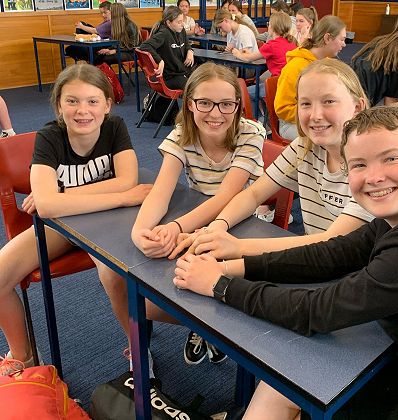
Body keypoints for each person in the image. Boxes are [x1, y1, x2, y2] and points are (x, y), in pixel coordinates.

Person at [174, 106, 398, 420]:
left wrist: (219, 286)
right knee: (286, 382)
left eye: (391, 158)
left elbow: (316, 311)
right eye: (359, 164)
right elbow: (332, 255)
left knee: (288, 382)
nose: (374, 177)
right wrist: (232, 266)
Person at [0, 64, 152, 376]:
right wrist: (121, 195)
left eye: (92, 101)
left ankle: (139, 349)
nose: (83, 110)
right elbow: (46, 206)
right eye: (72, 101)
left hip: (106, 224)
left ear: (106, 104)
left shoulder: (114, 127)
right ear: (59, 105)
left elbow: (127, 180)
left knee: (113, 277)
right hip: (64, 225)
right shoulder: (50, 136)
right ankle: (25, 357)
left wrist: (61, 193)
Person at [131, 62, 265, 366]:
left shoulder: (251, 132)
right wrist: (139, 232)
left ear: (237, 105)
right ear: (190, 103)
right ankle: (202, 326)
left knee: (210, 271)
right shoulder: (182, 135)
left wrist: (177, 227)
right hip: (198, 217)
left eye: (226, 104)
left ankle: (211, 328)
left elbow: (227, 195)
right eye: (205, 103)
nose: (216, 113)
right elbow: (160, 192)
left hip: (240, 221)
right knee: (164, 280)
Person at [174, 58, 372, 258]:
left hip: (355, 269)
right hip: (314, 261)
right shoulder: (304, 147)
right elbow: (253, 195)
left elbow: (332, 242)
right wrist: (216, 227)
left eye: (329, 101)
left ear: (357, 107)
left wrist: (238, 247)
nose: (315, 115)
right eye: (305, 103)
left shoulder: (373, 166)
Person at [276, 15, 347, 140]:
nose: (344, 44)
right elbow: (282, 109)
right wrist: (319, 113)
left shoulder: (327, 63)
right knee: (333, 138)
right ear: (327, 38)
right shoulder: (295, 67)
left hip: (318, 118)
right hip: (292, 123)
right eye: (342, 39)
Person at [231, 12, 297, 106]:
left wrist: (237, 53)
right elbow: (255, 55)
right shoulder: (292, 42)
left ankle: (257, 115)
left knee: (245, 93)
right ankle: (265, 112)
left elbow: (248, 59)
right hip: (290, 84)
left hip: (277, 85)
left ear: (273, 27)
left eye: (268, 24)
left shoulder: (271, 45)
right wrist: (247, 53)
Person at [138, 6, 194, 89]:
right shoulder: (164, 33)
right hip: (170, 76)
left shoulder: (181, 30)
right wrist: (160, 61)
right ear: (168, 23)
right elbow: (144, 46)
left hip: (180, 71)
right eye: (179, 22)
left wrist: (190, 51)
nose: (183, 24)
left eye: (183, 21)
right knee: (194, 88)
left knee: (201, 79)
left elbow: (186, 44)